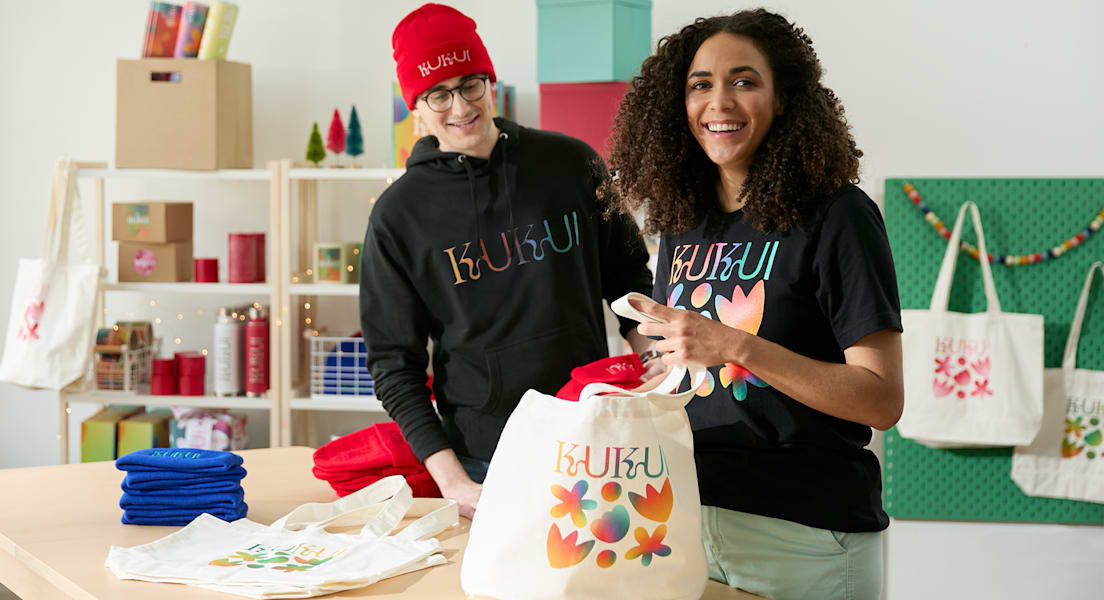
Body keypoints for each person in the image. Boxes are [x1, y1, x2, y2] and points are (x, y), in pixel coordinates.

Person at [601, 9, 904, 600]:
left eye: (743, 81)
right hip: (690, 520)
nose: (720, 101)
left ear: (783, 98)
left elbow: (881, 399)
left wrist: (735, 345)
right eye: (701, 84)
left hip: (806, 537)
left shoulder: (838, 216)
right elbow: (693, 375)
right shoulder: (685, 221)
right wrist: (630, 387)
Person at [360, 3, 657, 520]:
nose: (460, 106)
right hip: (485, 459)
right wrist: (455, 483)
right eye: (438, 94)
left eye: (470, 84)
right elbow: (393, 365)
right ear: (417, 107)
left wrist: (653, 361)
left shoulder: (572, 163)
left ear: (489, 82)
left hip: (594, 431)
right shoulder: (398, 215)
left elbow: (627, 274)